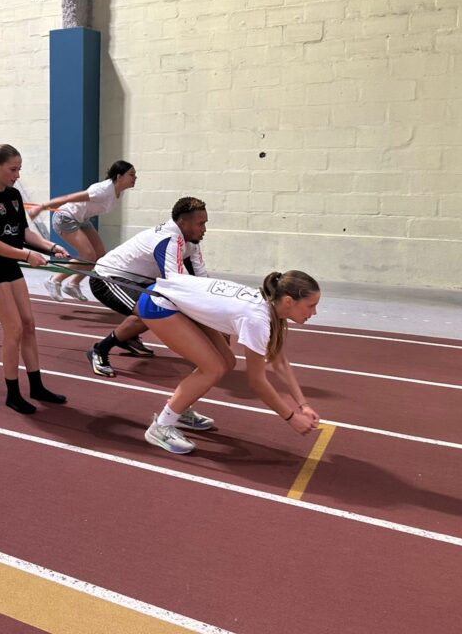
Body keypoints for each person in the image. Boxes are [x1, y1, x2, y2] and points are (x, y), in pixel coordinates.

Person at [138, 270, 321, 454]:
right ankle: (161, 426)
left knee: (226, 362)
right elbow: (257, 381)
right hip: (159, 302)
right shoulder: (256, 319)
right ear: (288, 301)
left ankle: (179, 408)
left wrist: (303, 405)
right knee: (213, 368)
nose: (314, 312)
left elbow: (279, 362)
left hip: (175, 300)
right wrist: (291, 418)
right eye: (311, 306)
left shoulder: (271, 305)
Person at [86, 196, 216, 432]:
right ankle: (99, 350)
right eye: (201, 224)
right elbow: (176, 284)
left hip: (137, 281)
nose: (204, 229)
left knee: (153, 310)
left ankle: (125, 339)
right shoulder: (168, 240)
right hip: (107, 278)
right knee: (153, 312)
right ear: (182, 222)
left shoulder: (192, 242)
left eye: (205, 223)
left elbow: (201, 280)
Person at [0, 144, 70, 414]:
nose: (17, 175)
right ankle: (13, 394)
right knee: (13, 328)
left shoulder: (13, 195)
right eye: (13, 169)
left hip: (9, 264)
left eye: (19, 169)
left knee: (28, 324)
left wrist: (50, 247)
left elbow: (24, 232)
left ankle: (37, 386)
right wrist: (27, 256)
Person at [28, 161, 137, 302]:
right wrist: (41, 207)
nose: (135, 178)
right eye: (131, 174)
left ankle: (73, 284)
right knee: (88, 255)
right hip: (65, 217)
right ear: (119, 177)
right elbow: (68, 198)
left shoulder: (119, 192)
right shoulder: (102, 190)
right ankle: (54, 279)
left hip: (81, 219)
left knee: (100, 256)